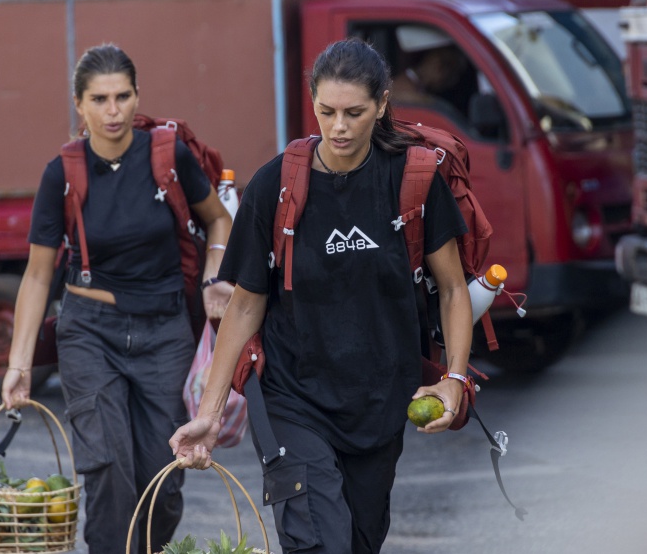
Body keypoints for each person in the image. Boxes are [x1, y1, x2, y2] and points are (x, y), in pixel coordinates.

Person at [169, 38, 473, 553]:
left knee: (357, 541)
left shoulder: (414, 181)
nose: (339, 127)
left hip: (381, 402)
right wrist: (211, 411)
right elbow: (245, 304)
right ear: (312, 103)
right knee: (317, 543)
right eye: (327, 111)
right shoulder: (276, 186)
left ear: (381, 105)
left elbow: (451, 289)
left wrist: (456, 380)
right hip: (294, 397)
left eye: (355, 112)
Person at [1, 44, 234, 553]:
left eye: (123, 96)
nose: (113, 111)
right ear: (79, 105)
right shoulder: (62, 173)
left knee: (164, 477)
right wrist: (20, 362)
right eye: (99, 99)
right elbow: (39, 275)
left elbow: (218, 218)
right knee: (107, 469)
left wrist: (215, 271)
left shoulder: (165, 155)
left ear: (137, 97)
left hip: (164, 330)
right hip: (90, 330)